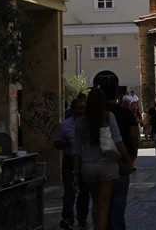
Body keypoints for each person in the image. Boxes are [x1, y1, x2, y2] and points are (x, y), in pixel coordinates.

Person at [73, 89, 133, 230]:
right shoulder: (108, 117)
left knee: (95, 203)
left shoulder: (80, 122)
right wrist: (128, 159)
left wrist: (75, 173)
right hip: (106, 164)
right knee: (104, 204)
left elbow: (76, 150)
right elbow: (118, 141)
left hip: (87, 166)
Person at [54, 99, 90, 230]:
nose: (82, 111)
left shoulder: (89, 125)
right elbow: (56, 143)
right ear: (73, 110)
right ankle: (68, 217)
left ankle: (82, 218)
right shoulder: (64, 125)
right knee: (69, 191)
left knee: (84, 192)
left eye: (84, 108)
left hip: (85, 161)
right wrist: (65, 144)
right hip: (69, 161)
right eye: (79, 109)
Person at [106, 90, 139, 230]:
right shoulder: (126, 112)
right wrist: (133, 154)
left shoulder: (96, 113)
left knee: (104, 198)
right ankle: (118, 226)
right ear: (116, 96)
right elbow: (132, 135)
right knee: (120, 194)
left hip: (103, 158)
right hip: (121, 156)